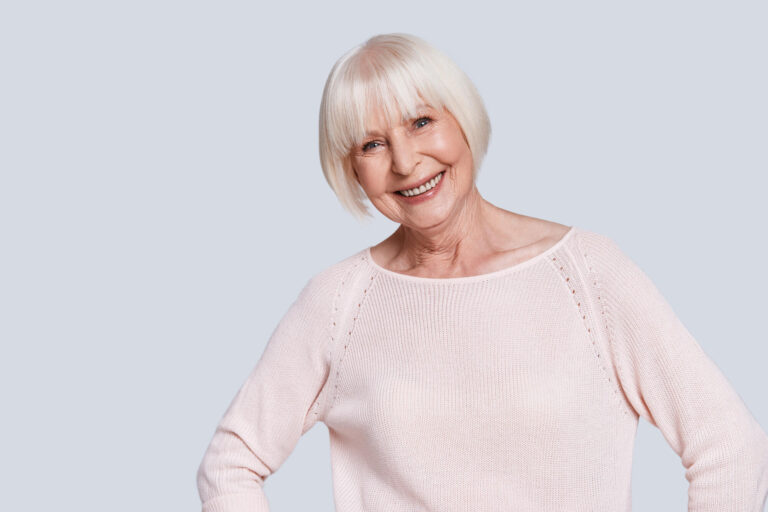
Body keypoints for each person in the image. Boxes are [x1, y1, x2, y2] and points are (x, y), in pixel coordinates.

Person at [196, 33, 768, 511]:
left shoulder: (588, 275)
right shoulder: (339, 302)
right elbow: (232, 462)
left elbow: (729, 447)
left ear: (463, 120)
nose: (404, 162)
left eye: (421, 122)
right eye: (372, 144)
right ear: (352, 171)